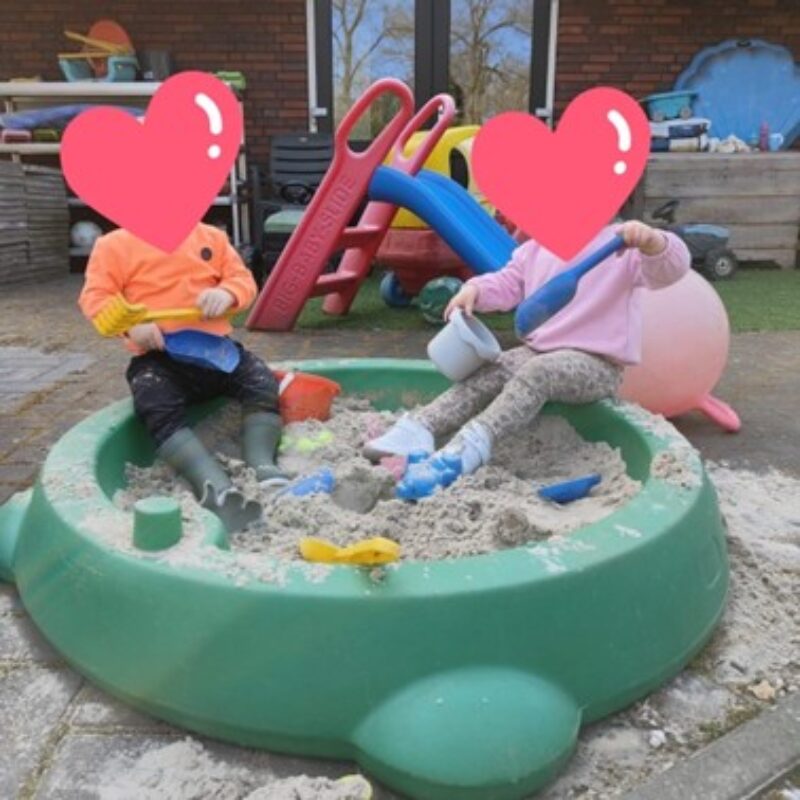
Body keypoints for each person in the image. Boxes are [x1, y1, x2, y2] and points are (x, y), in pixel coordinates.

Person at [364, 220, 691, 495]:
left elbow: (672, 268)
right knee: (492, 370)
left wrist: (653, 242)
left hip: (597, 363)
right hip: (539, 350)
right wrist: (476, 290)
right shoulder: (537, 247)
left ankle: (471, 445)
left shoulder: (620, 244)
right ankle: (421, 427)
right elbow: (509, 282)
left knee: (538, 371)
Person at [79, 223, 287, 530]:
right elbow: (96, 297)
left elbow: (242, 280)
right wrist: (131, 326)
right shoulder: (114, 245)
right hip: (158, 356)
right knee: (153, 401)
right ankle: (211, 482)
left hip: (215, 351)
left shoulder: (212, 238)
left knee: (261, 381)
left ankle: (261, 462)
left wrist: (227, 293)